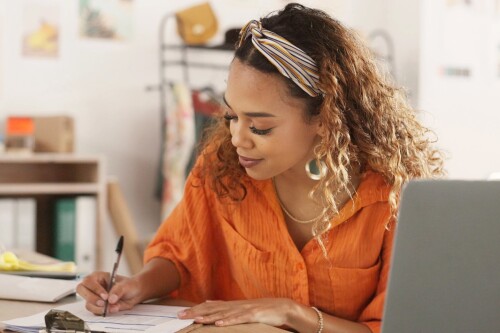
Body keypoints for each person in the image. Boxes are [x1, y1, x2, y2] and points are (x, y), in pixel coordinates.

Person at [77, 3, 444, 333]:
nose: (238, 138)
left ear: (325, 117)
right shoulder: (221, 170)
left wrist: (291, 313)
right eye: (232, 116)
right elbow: (181, 257)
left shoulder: (397, 196)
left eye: (260, 127)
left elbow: (400, 326)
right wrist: (136, 286)